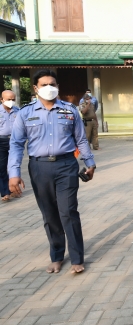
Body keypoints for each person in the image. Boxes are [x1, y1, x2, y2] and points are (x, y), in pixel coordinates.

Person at [9, 69, 96, 274]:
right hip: (39, 168)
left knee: (68, 211)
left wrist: (90, 163)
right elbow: (16, 144)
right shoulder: (25, 113)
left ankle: (76, 258)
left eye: (53, 84)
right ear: (35, 88)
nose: (49, 88)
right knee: (49, 214)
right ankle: (57, 256)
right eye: (44, 84)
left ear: (57, 86)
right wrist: (14, 173)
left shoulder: (70, 110)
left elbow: (81, 140)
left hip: (66, 165)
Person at [0, 90, 19, 202]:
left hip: (15, 141)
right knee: (2, 167)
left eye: (13, 99)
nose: (11, 102)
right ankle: (5, 192)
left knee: (14, 165)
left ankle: (14, 189)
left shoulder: (18, 111)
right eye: (8, 99)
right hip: (1, 141)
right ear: (2, 99)